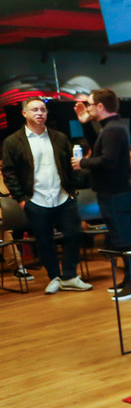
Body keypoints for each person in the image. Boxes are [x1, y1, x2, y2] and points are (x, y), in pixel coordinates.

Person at [1, 97, 92, 294]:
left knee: (74, 234)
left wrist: (72, 189)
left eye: (43, 109)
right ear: (24, 113)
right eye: (34, 110)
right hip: (35, 199)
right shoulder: (13, 141)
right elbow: (9, 172)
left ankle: (70, 276)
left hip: (63, 196)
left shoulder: (59, 137)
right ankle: (54, 277)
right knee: (44, 241)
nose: (39, 113)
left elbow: (70, 165)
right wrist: (22, 199)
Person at [72, 88, 131, 300]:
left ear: (100, 106)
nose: (88, 108)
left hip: (116, 193)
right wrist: (85, 123)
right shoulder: (112, 127)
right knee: (121, 239)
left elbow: (107, 160)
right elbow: (99, 148)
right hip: (113, 192)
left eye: (90, 105)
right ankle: (129, 281)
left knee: (125, 240)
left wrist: (82, 162)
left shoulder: (113, 129)